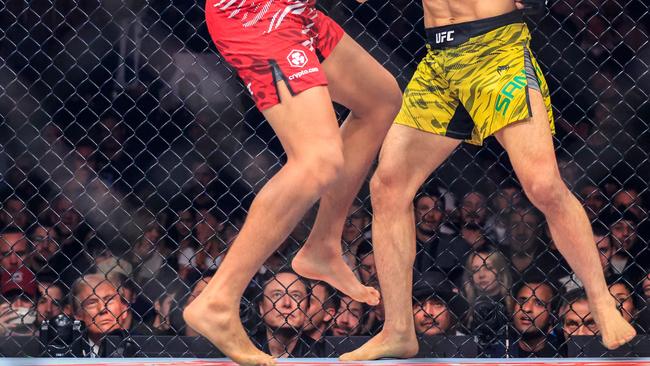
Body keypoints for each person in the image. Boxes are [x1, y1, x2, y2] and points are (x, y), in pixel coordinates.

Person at [343, 0, 636, 360]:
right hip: (440, 58)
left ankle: (602, 302)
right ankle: (399, 329)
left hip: (496, 48)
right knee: (387, 186)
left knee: (543, 184)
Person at [183, 0, 402, 363]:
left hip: (296, 10)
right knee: (318, 159)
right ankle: (218, 300)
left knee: (380, 99)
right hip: (255, 12)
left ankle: (323, 245)